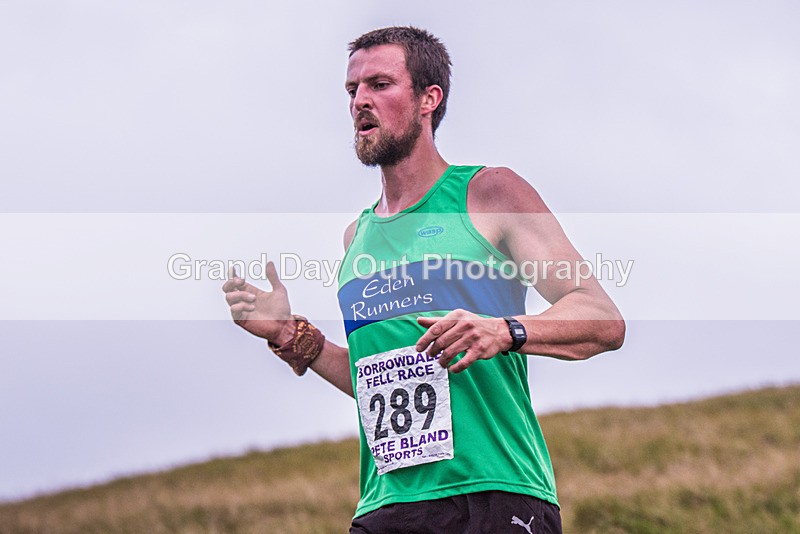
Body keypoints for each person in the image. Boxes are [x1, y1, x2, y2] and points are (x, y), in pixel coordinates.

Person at [223, 26, 625, 534]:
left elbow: (601, 317)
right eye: (352, 89)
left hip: (493, 494)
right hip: (385, 506)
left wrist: (503, 330)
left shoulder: (488, 193)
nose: (360, 101)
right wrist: (290, 335)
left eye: (379, 85)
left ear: (427, 99)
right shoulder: (357, 239)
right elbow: (380, 379)